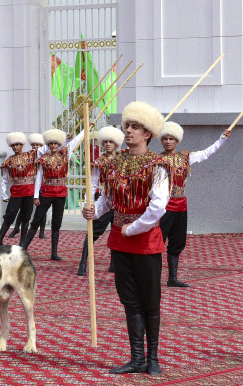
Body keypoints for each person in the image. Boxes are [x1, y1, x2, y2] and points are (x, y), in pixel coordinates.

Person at [82, 101, 169, 375]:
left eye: (135, 127)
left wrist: (133, 228)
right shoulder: (114, 163)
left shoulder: (158, 165)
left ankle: (153, 358)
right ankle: (137, 358)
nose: (128, 131)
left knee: (149, 301)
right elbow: (108, 200)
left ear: (148, 134)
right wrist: (93, 210)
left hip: (145, 240)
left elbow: (158, 206)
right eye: (127, 126)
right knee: (129, 300)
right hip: (119, 242)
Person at [159, 122, 232, 287]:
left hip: (181, 206)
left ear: (177, 141)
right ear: (161, 140)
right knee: (157, 242)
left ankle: (172, 278)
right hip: (162, 208)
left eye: (171, 138)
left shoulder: (186, 157)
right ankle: (152, 277)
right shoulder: (156, 160)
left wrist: (222, 139)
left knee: (177, 242)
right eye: (165, 138)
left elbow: (207, 153)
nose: (168, 141)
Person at [20, 128, 83, 259]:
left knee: (56, 223)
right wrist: (36, 196)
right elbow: (39, 177)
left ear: (60, 144)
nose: (53, 145)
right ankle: (23, 249)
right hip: (46, 193)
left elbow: (76, 141)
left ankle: (54, 253)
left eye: (56, 143)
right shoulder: (43, 159)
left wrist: (86, 128)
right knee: (36, 220)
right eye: (51, 143)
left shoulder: (66, 154)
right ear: (48, 144)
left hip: (60, 194)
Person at [77, 126, 124, 276]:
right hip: (105, 201)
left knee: (118, 234)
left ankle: (114, 265)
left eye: (111, 141)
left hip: (121, 202)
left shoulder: (122, 160)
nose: (108, 144)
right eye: (106, 141)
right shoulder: (99, 162)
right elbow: (93, 183)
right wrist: (88, 203)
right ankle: (83, 263)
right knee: (94, 233)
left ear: (116, 144)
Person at [0, 132, 37, 249]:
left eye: (17, 145)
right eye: (13, 145)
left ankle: (22, 244)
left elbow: (46, 149)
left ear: (22, 145)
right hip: (16, 192)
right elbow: (5, 178)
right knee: (9, 217)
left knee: (26, 218)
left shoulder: (31, 156)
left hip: (29, 192)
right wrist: (3, 193)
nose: (15, 147)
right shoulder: (9, 161)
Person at [8, 133, 47, 240]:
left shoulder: (46, 155)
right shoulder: (30, 156)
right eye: (33, 145)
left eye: (38, 145)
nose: (35, 147)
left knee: (41, 208)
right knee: (23, 209)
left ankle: (42, 231)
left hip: (43, 184)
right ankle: (16, 228)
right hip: (30, 185)